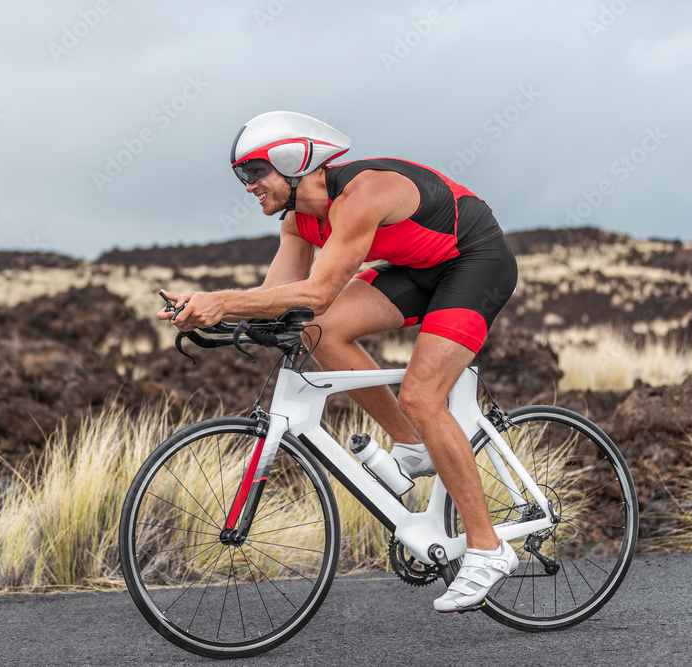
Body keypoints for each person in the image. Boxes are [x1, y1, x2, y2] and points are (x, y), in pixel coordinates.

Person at [157, 110, 519, 613]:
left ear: (292, 160)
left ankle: (487, 548)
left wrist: (222, 299)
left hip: (475, 261)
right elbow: (282, 299)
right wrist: (209, 317)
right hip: (419, 269)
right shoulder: (296, 220)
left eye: (253, 172)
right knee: (314, 331)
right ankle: (413, 446)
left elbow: (321, 290)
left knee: (422, 395)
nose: (248, 187)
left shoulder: (363, 193)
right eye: (242, 176)